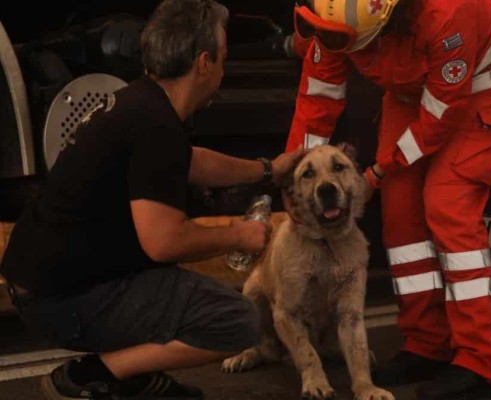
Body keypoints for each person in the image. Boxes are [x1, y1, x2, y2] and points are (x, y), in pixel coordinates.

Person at [0, 0, 303, 399]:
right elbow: (163, 242)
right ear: (203, 64)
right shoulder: (155, 127)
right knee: (236, 319)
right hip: (60, 302)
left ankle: (134, 376)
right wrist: (238, 235)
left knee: (171, 286)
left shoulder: (140, 102)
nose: (224, 70)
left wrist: (268, 169)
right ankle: (94, 375)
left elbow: (190, 161)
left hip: (42, 284)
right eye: (224, 59)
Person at [285, 0, 491, 399]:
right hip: (412, 93)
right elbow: (317, 100)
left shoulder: (450, 14)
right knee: (400, 214)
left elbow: (442, 112)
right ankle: (427, 344)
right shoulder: (336, 16)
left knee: (447, 207)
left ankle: (481, 362)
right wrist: (296, 184)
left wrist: (383, 167)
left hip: (478, 90)